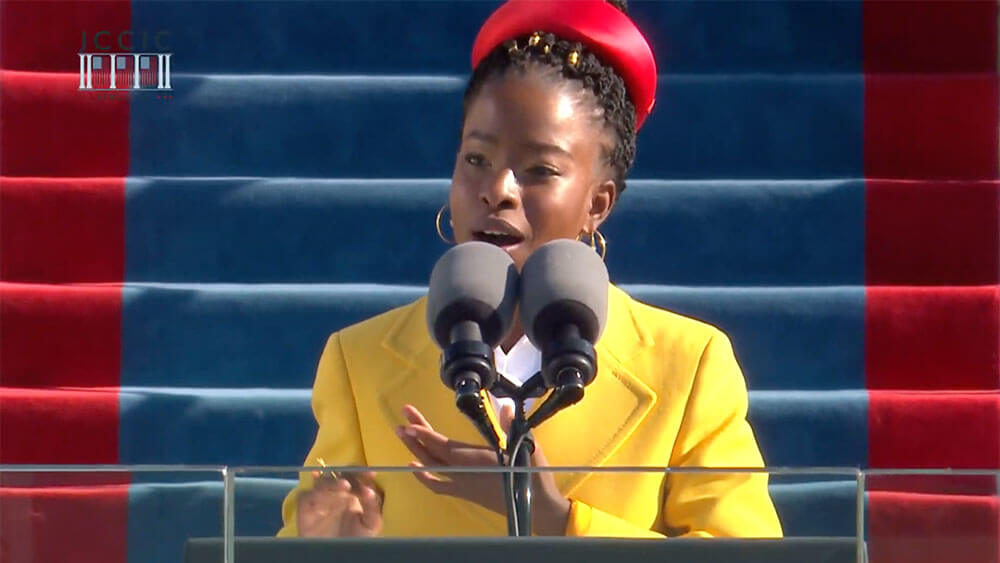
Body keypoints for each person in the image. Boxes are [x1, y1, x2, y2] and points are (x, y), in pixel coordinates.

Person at [278, 0, 782, 538]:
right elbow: (305, 540)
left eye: (539, 170)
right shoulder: (358, 362)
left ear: (598, 203)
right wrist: (329, 549)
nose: (497, 190)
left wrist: (557, 520)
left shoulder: (689, 365)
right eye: (476, 160)